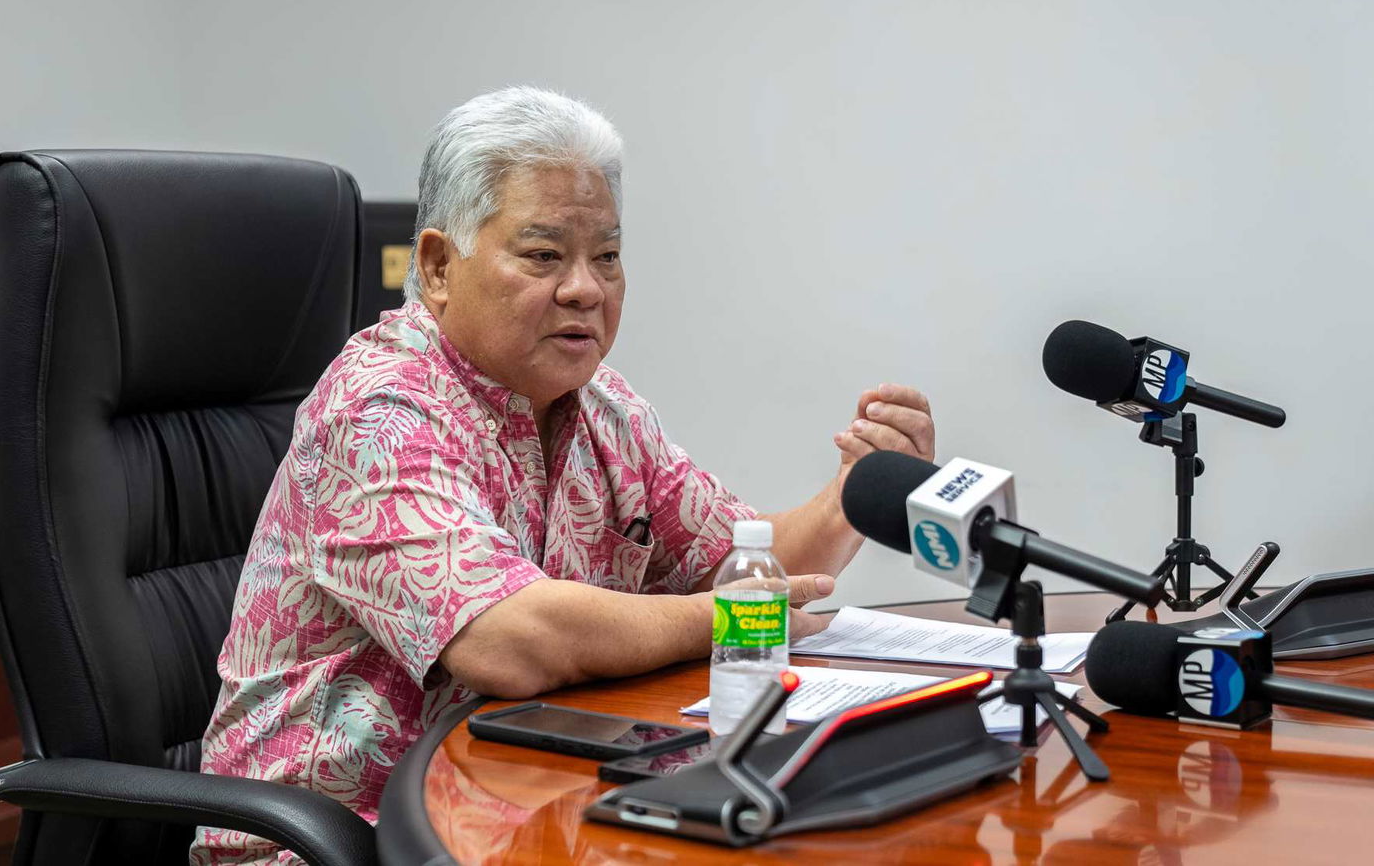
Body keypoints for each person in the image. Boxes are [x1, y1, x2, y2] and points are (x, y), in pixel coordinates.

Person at [192, 87, 935, 864]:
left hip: (528, 808)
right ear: (440, 266)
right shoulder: (377, 409)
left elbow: (747, 564)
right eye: (545, 255)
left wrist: (854, 494)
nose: (587, 287)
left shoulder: (602, 405)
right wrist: (724, 618)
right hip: (345, 842)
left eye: (607, 256)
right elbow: (507, 642)